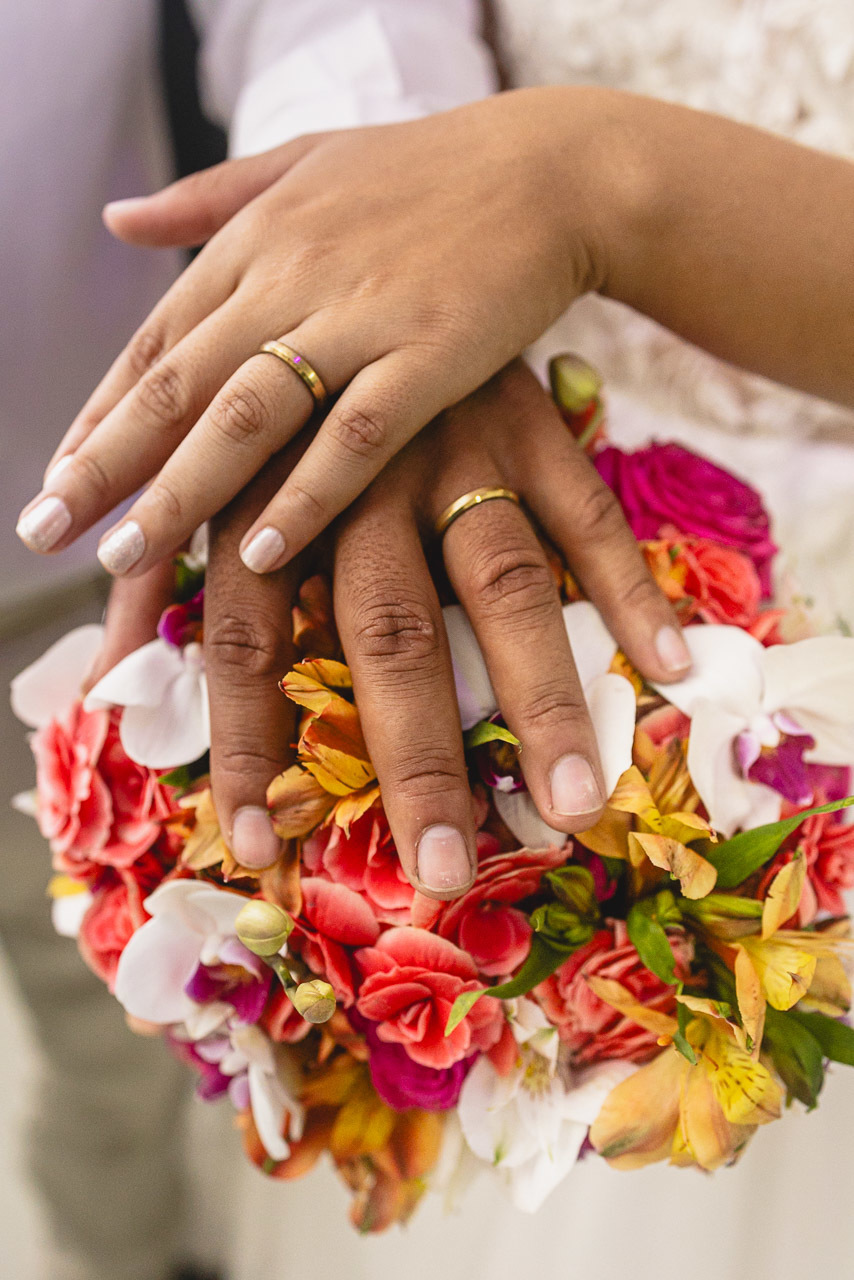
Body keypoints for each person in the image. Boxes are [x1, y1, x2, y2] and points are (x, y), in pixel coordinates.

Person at [0, 3, 499, 1278]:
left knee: (117, 1027)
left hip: (96, 542)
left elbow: (321, 21)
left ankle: (123, 1253)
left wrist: (347, 289)